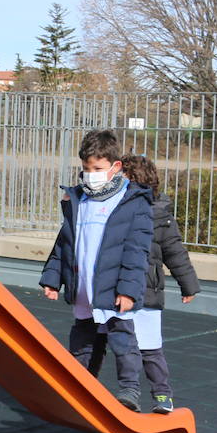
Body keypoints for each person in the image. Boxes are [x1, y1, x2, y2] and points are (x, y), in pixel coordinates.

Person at [39, 129, 153, 411]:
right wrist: (53, 278)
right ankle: (79, 385)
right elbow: (64, 242)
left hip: (114, 287)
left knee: (122, 338)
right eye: (86, 168)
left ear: (116, 167)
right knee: (82, 339)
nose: (91, 174)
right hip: (84, 286)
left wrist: (128, 290)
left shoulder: (132, 202)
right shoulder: (79, 199)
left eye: (97, 168)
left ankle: (129, 391)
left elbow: (136, 251)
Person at [115, 155, 201, 413]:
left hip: (148, 291)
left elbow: (175, 252)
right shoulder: (115, 213)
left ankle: (162, 394)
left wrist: (189, 284)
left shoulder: (160, 216)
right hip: (119, 291)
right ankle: (128, 391)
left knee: (150, 347)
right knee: (121, 343)